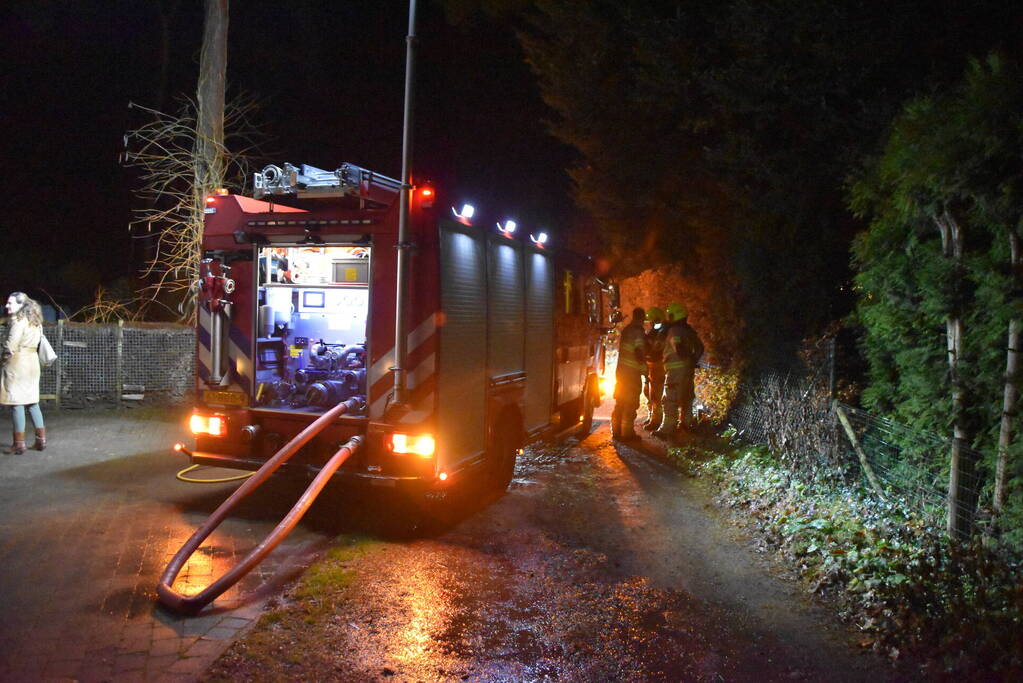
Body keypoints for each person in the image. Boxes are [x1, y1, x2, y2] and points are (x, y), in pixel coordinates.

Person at [1, 292, 46, 454]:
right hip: (32, 363)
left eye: (10, 303)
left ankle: (19, 444)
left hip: (18, 364)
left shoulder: (18, 321)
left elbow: (10, 347)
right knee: (32, 402)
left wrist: (3, 360)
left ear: (21, 305)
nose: (7, 306)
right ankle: (41, 440)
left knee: (17, 403)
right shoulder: (35, 321)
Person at [653, 301, 703, 439]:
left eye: (670, 316)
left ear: (675, 316)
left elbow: (678, 348)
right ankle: (686, 425)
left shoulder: (674, 331)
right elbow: (700, 347)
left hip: (675, 371)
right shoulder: (689, 330)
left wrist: (683, 357)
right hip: (688, 369)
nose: (668, 318)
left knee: (670, 399)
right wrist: (692, 360)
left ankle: (667, 429)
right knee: (687, 397)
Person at [611, 307, 646, 440]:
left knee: (620, 401)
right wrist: (644, 371)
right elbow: (639, 352)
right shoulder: (638, 332)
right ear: (642, 318)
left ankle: (616, 431)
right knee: (630, 402)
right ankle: (627, 433)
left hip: (621, 372)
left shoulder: (626, 330)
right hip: (632, 373)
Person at [642, 306, 667, 430]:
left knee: (656, 395)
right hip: (650, 365)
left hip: (657, 365)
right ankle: (652, 415)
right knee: (648, 392)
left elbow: (656, 348)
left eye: (651, 321)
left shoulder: (663, 332)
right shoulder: (655, 331)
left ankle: (656, 421)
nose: (650, 324)